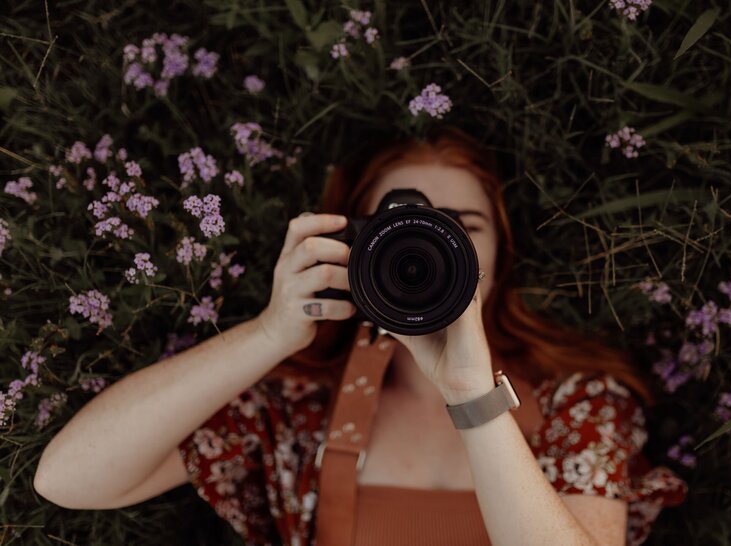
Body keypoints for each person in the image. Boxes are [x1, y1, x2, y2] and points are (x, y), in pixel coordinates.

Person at [34, 124, 688, 546]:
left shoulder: (579, 404)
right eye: (395, 230)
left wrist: (470, 395)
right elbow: (70, 479)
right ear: (348, 246)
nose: (423, 256)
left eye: (457, 230)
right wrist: (270, 332)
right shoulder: (297, 410)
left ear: (498, 256)